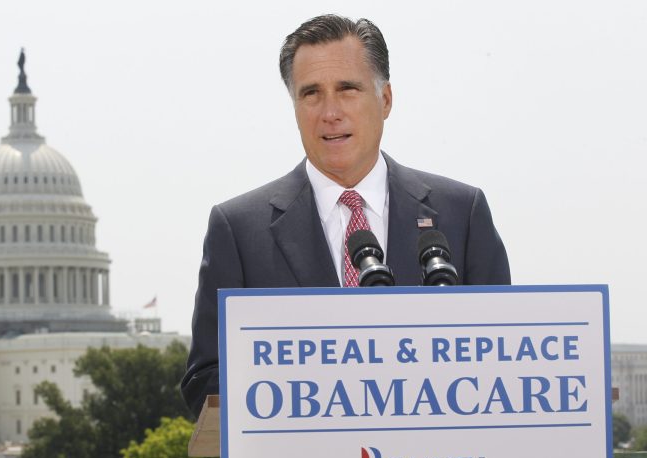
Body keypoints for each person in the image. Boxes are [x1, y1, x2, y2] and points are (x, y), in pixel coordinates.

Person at [181, 14, 510, 417]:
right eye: (311, 94)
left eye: (347, 89)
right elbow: (203, 386)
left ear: (385, 100)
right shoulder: (238, 229)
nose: (329, 112)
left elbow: (503, 362)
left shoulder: (462, 214)